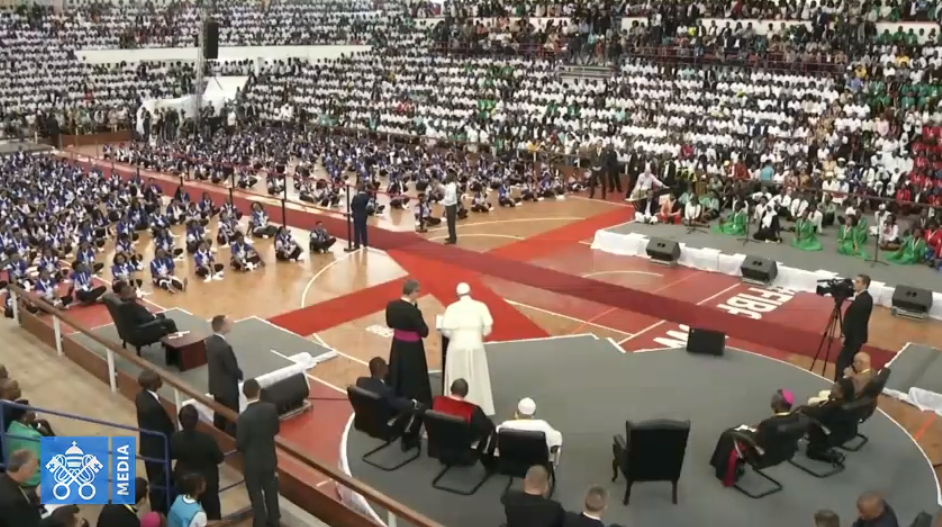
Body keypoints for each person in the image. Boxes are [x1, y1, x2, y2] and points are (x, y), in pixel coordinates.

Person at [709, 389, 797, 486]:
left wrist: (747, 431)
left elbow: (758, 440)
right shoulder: (795, 419)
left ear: (778, 404)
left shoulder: (771, 424)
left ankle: (723, 471)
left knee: (729, 434)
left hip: (764, 455)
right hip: (784, 452)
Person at [441, 282, 494, 415]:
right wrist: (479, 335)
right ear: (470, 292)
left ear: (457, 294)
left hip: (456, 347)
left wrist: (455, 337)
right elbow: (487, 329)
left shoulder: (451, 308)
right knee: (477, 377)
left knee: (457, 376)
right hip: (475, 346)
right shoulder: (481, 306)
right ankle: (478, 406)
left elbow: (445, 330)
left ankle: (454, 407)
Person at [236, 379, 281, 527]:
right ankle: (274, 521)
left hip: (252, 464)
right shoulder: (271, 409)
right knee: (271, 493)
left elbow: (240, 443)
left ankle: (260, 522)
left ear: (244, 394)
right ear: (259, 390)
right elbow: (276, 430)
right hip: (269, 459)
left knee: (256, 496)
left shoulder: (244, 417)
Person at [356, 357, 422, 449]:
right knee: (417, 409)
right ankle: (409, 440)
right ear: (382, 370)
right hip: (383, 427)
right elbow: (399, 404)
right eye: (385, 366)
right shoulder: (386, 391)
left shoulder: (361, 382)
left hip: (365, 422)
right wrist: (414, 402)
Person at [172, 405, 224, 521]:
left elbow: (172, 454)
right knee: (213, 516)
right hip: (208, 483)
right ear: (196, 420)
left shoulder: (175, 438)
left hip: (185, 482)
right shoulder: (208, 439)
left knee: (186, 516)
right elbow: (219, 458)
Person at [384, 279, 432, 406]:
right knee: (413, 373)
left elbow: (390, 324)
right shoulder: (413, 311)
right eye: (418, 292)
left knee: (398, 370)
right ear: (413, 292)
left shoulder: (391, 305)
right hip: (412, 348)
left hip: (397, 345)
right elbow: (424, 332)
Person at [135, 370, 175, 514]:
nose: (161, 381)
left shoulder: (140, 396)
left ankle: (159, 509)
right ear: (153, 384)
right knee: (160, 483)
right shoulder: (153, 407)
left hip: (148, 447)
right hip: (158, 450)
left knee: (156, 481)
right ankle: (161, 511)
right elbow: (164, 428)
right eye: (159, 379)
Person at [433, 378, 495, 453]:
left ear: (451, 389)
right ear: (466, 393)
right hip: (462, 450)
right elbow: (487, 428)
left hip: (438, 445)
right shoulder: (472, 410)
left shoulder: (436, 401)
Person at [207, 315, 242, 434]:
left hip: (216, 386)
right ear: (222, 326)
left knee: (219, 415)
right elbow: (232, 368)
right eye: (228, 322)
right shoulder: (224, 347)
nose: (231, 323)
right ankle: (231, 439)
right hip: (228, 390)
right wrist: (240, 375)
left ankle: (218, 436)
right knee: (232, 417)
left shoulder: (210, 341)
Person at [836, 275, 873, 381]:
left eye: (857, 282)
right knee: (848, 362)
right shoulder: (864, 298)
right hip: (857, 336)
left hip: (854, 337)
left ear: (864, 285)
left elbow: (854, 320)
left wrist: (845, 335)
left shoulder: (862, 301)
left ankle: (840, 383)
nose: (854, 284)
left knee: (842, 362)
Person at [497, 398, 563, 458]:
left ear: (517, 412)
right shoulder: (543, 426)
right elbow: (555, 445)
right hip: (536, 464)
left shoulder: (506, 425)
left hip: (509, 463)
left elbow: (495, 437)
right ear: (534, 413)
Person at [0, 449, 42, 527]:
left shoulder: (4, 480)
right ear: (24, 468)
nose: (36, 470)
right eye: (34, 466)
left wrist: (35, 495)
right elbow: (32, 522)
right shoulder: (16, 501)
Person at [350, 183, 369, 250]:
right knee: (364, 229)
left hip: (357, 214)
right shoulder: (367, 196)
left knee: (357, 230)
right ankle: (365, 243)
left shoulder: (356, 197)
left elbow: (352, 205)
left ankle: (357, 244)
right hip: (364, 214)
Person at [442, 173, 458, 245]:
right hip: (448, 205)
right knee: (449, 222)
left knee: (451, 223)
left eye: (446, 177)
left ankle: (453, 239)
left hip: (451, 205)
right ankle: (451, 236)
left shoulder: (451, 187)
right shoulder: (449, 185)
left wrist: (444, 199)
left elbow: (450, 198)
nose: (445, 178)